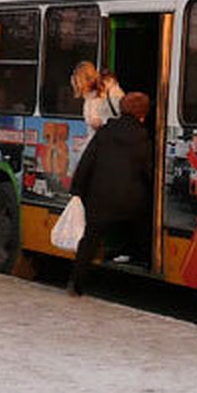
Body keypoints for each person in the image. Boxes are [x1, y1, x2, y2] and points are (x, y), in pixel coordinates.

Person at [67, 91, 153, 295]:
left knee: (89, 240)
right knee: (144, 224)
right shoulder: (143, 138)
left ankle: (77, 285)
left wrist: (77, 191)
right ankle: (142, 258)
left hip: (100, 199)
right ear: (142, 115)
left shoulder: (105, 132)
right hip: (130, 201)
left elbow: (87, 162)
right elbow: (148, 171)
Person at [70, 61, 124, 137]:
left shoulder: (112, 92)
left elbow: (123, 118)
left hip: (112, 141)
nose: (82, 93)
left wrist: (102, 123)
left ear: (88, 80)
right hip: (97, 143)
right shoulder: (88, 98)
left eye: (82, 87)